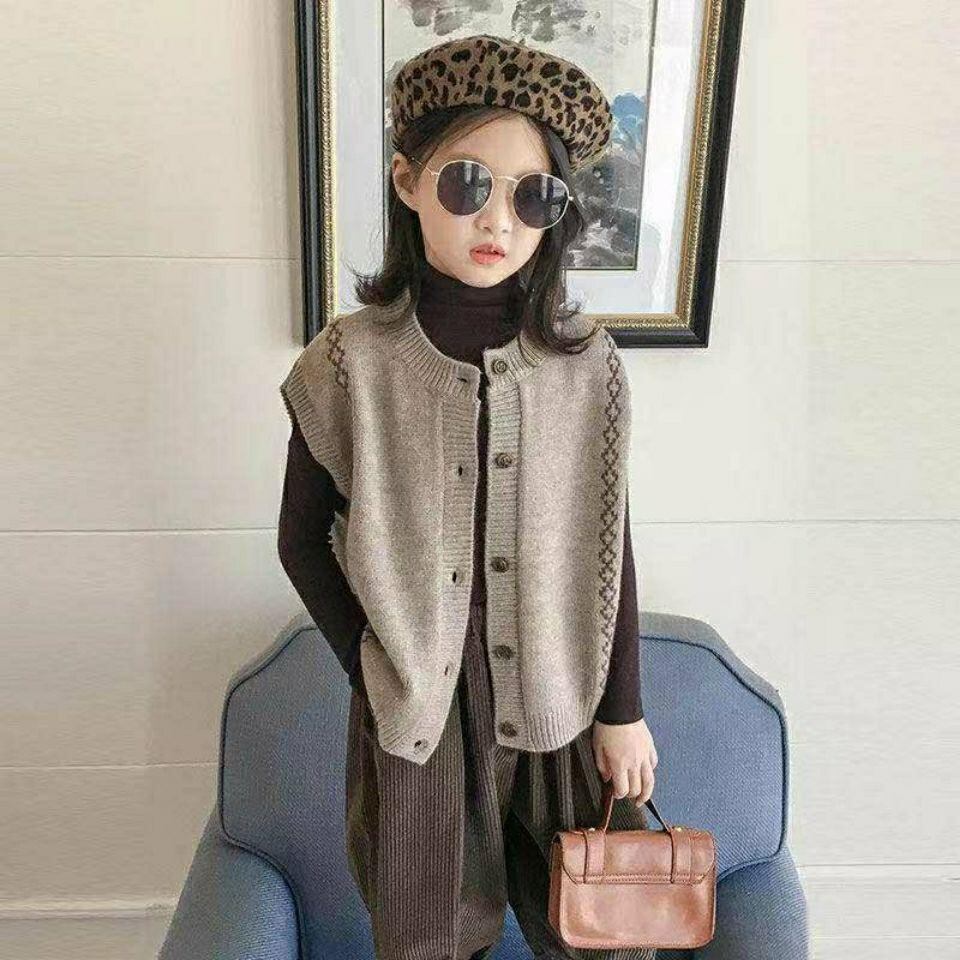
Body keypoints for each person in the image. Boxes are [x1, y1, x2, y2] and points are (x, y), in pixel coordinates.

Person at [278, 33, 659, 960]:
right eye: (467, 183)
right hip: (419, 718)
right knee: (428, 940)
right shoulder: (349, 365)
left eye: (533, 195)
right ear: (409, 182)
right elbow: (300, 540)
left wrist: (623, 710)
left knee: (604, 937)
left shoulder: (585, 365)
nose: (498, 220)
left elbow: (608, 544)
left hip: (562, 698)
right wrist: (375, 666)